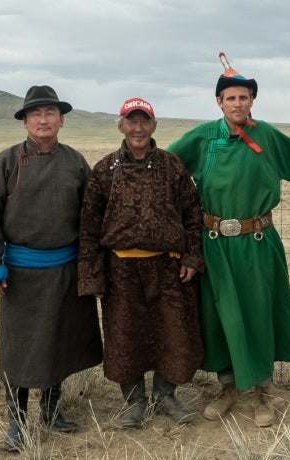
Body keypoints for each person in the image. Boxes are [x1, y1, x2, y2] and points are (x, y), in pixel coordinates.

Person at [166, 52, 290, 427]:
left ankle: (262, 391)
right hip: (214, 242)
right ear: (219, 102)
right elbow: (164, 169)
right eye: (230, 98)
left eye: (243, 97)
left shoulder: (267, 136)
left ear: (252, 101)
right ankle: (228, 388)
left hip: (258, 242)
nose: (237, 103)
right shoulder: (203, 137)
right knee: (219, 317)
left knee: (258, 313)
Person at [0, 85, 103, 451]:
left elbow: (91, 218)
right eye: (36, 113)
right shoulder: (6, 162)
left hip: (65, 270)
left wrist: (91, 265)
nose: (43, 119)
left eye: (50, 113)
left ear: (61, 120)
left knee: (59, 342)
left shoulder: (75, 161)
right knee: (19, 349)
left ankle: (51, 411)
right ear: (25, 121)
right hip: (21, 274)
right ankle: (16, 421)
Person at [77, 98, 204, 428]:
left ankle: (166, 397)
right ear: (120, 126)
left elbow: (193, 215)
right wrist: (93, 278)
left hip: (168, 268)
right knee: (124, 336)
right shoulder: (104, 171)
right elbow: (89, 227)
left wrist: (192, 256)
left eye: (143, 121)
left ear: (154, 125)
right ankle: (134, 403)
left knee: (172, 331)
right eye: (131, 121)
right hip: (120, 270)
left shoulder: (173, 167)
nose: (137, 128)